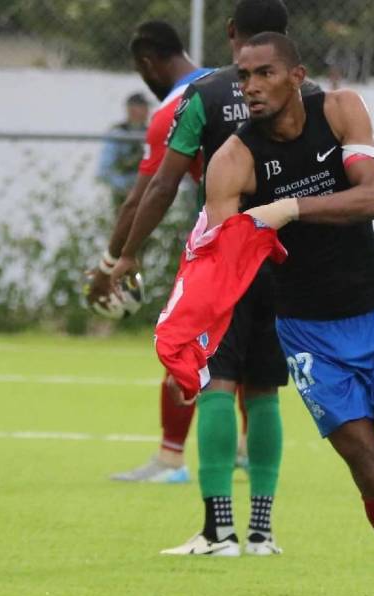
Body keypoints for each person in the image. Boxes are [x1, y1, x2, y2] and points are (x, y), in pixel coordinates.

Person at [155, 32, 374, 596]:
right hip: (307, 335)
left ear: (296, 76)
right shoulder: (234, 159)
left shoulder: (342, 110)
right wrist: (191, 346)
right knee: (369, 470)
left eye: (265, 73)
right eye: (244, 76)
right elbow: (215, 263)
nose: (251, 87)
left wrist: (289, 207)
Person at [110, 0, 302, 556]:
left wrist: (127, 254)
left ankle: (218, 531)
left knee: (218, 379)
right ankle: (263, 533)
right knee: (264, 389)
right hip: (289, 258)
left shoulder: (207, 94)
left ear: (229, 32)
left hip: (225, 256)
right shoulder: (310, 97)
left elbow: (165, 183)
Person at [88, 20, 213, 483]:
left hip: (227, 241)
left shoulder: (175, 110)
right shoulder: (233, 83)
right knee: (253, 356)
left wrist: (112, 263)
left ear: (146, 63)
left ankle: (170, 460)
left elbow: (143, 196)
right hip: (282, 231)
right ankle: (243, 446)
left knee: (184, 342)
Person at [97, 92, 149, 208]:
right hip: (123, 193)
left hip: (147, 194)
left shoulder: (150, 133)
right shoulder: (117, 134)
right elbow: (104, 170)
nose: (146, 111)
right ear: (131, 109)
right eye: (142, 106)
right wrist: (125, 187)